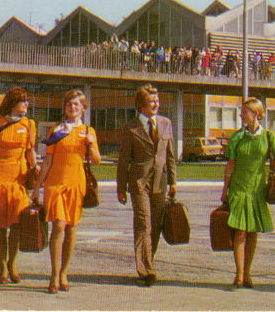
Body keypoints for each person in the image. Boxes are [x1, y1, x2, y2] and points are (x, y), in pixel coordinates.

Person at [31, 89, 101, 294]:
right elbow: (47, 161)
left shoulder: (88, 130)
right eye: (69, 104)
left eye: (76, 104)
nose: (72, 107)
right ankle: (54, 274)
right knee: (58, 225)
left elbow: (96, 160)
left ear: (83, 108)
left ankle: (64, 273)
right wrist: (37, 187)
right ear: (64, 107)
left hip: (76, 183)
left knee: (71, 228)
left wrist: (91, 145)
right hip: (55, 184)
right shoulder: (56, 130)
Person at [116, 84, 178, 287]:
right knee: (144, 223)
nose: (156, 104)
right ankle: (146, 270)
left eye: (157, 100)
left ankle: (148, 260)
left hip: (160, 181)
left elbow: (170, 155)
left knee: (156, 225)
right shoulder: (130, 128)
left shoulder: (166, 123)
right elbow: (124, 160)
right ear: (141, 105)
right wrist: (121, 187)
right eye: (151, 101)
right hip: (139, 183)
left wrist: (174, 181)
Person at [219, 97, 275, 288]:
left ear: (256, 114)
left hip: (257, 190)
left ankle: (247, 273)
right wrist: (225, 188)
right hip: (239, 188)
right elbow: (230, 164)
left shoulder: (268, 136)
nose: (241, 114)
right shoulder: (237, 137)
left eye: (244, 111)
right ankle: (239, 274)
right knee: (240, 231)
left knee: (253, 231)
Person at [0, 87, 39, 284]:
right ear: (13, 103)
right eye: (23, 101)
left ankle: (12, 264)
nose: (26, 104)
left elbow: (30, 150)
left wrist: (35, 167)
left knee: (17, 223)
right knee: (0, 226)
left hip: (19, 179)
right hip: (0, 177)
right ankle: (2, 267)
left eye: (27, 101)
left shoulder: (29, 124)